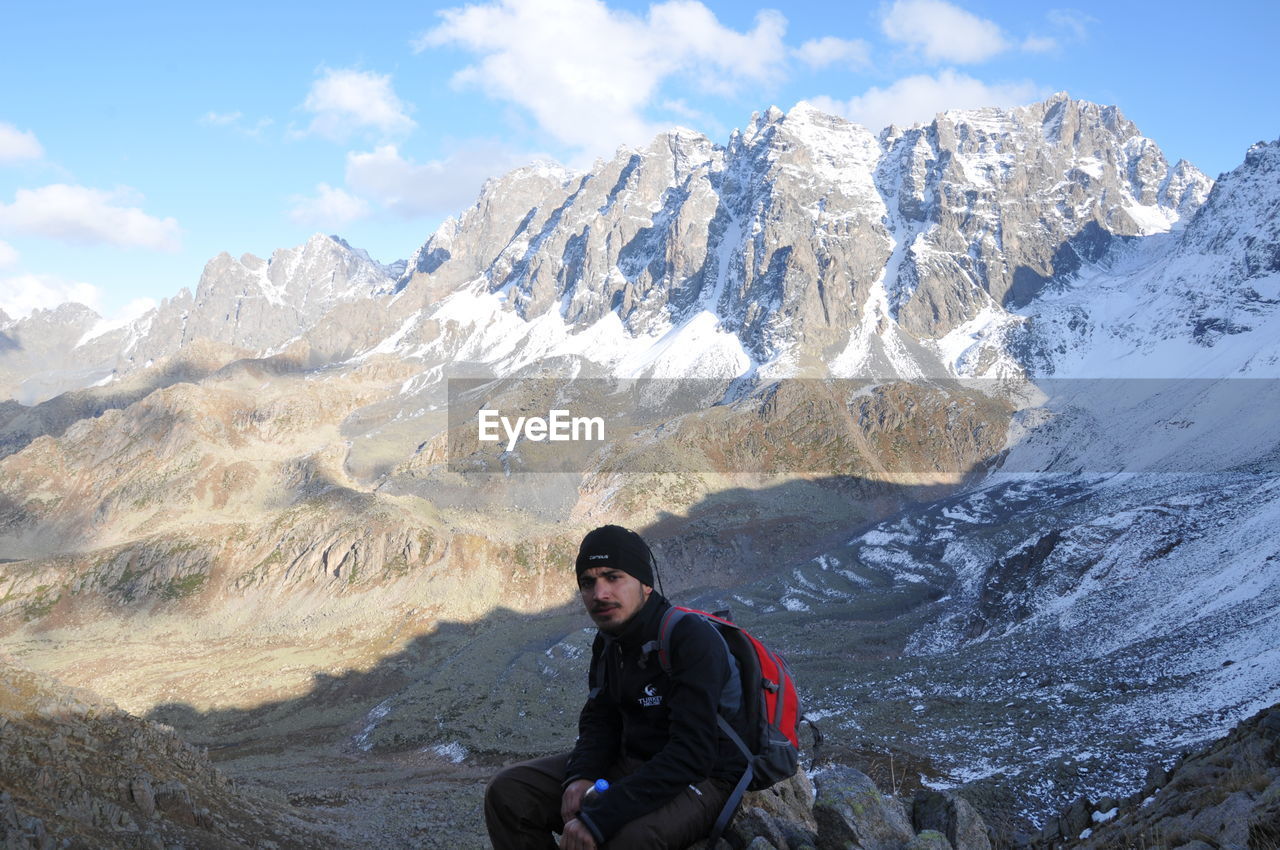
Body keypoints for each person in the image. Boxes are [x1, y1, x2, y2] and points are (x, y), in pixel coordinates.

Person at [484, 524, 748, 849]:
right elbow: (600, 720)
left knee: (626, 840)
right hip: (632, 762)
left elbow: (692, 753)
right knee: (510, 793)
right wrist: (581, 776)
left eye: (613, 577)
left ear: (645, 584)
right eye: (588, 582)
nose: (599, 594)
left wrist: (601, 817)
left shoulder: (689, 638)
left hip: (704, 777)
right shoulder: (610, 642)